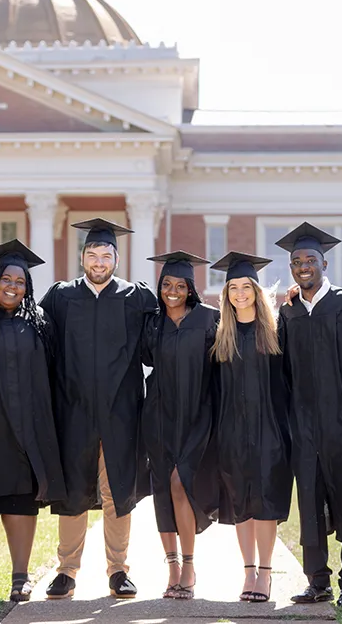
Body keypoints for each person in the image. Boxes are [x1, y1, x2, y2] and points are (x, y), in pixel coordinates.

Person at [39, 217, 158, 600]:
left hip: (120, 414)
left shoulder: (135, 297)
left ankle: (118, 570)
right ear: (82, 257)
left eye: (106, 255)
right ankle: (67, 571)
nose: (99, 261)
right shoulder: (60, 297)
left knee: (117, 491)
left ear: (116, 259)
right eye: (93, 254)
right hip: (72, 412)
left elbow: (169, 329)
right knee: (74, 492)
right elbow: (36, 338)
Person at [273, 223, 342, 609]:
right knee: (310, 506)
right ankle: (317, 582)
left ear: (324, 263)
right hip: (304, 427)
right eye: (297, 261)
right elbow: (280, 372)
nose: (304, 266)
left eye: (310, 260)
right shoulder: (289, 313)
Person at [0, 239, 67, 602]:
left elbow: (54, 375)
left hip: (27, 431)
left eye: (20, 282)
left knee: (21, 502)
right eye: (7, 279)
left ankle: (21, 576)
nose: (13, 286)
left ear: (28, 287)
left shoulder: (40, 323)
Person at [208, 251, 292, 604]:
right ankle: (248, 572)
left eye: (246, 286)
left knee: (266, 502)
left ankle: (267, 573)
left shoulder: (276, 329)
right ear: (226, 293)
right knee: (241, 502)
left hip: (271, 429)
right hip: (232, 431)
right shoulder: (220, 335)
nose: (240, 293)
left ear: (257, 291)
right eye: (233, 287)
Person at [141, 251, 221, 600]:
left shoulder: (209, 319)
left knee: (180, 484)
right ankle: (172, 568)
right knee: (162, 490)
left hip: (196, 415)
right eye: (167, 284)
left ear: (191, 288)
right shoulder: (153, 323)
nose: (173, 291)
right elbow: (145, 358)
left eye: (180, 285)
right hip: (158, 415)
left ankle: (189, 566)